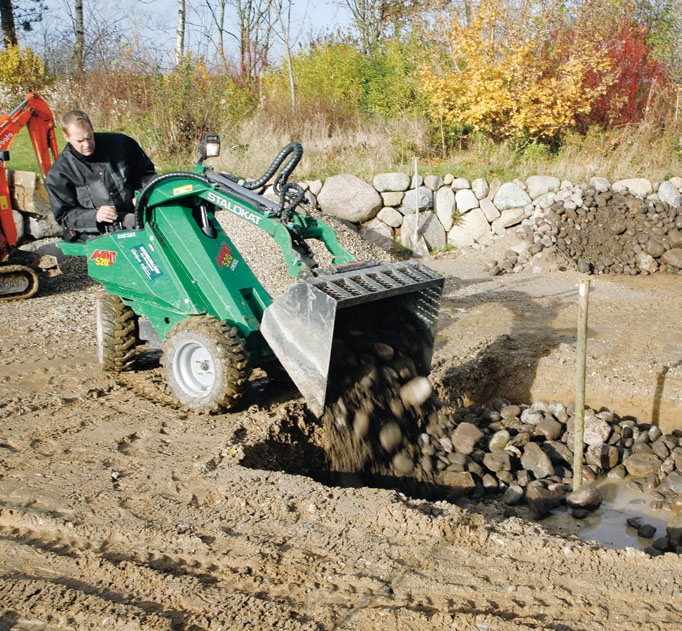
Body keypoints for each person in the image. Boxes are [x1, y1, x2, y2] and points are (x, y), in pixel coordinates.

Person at [46, 110, 157, 240]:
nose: (87, 145)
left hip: (136, 213)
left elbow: (146, 174)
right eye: (80, 141)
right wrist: (95, 216)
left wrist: (142, 193)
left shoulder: (121, 144)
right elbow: (64, 216)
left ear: (92, 129)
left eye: (89, 137)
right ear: (66, 137)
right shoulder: (60, 173)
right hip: (96, 231)